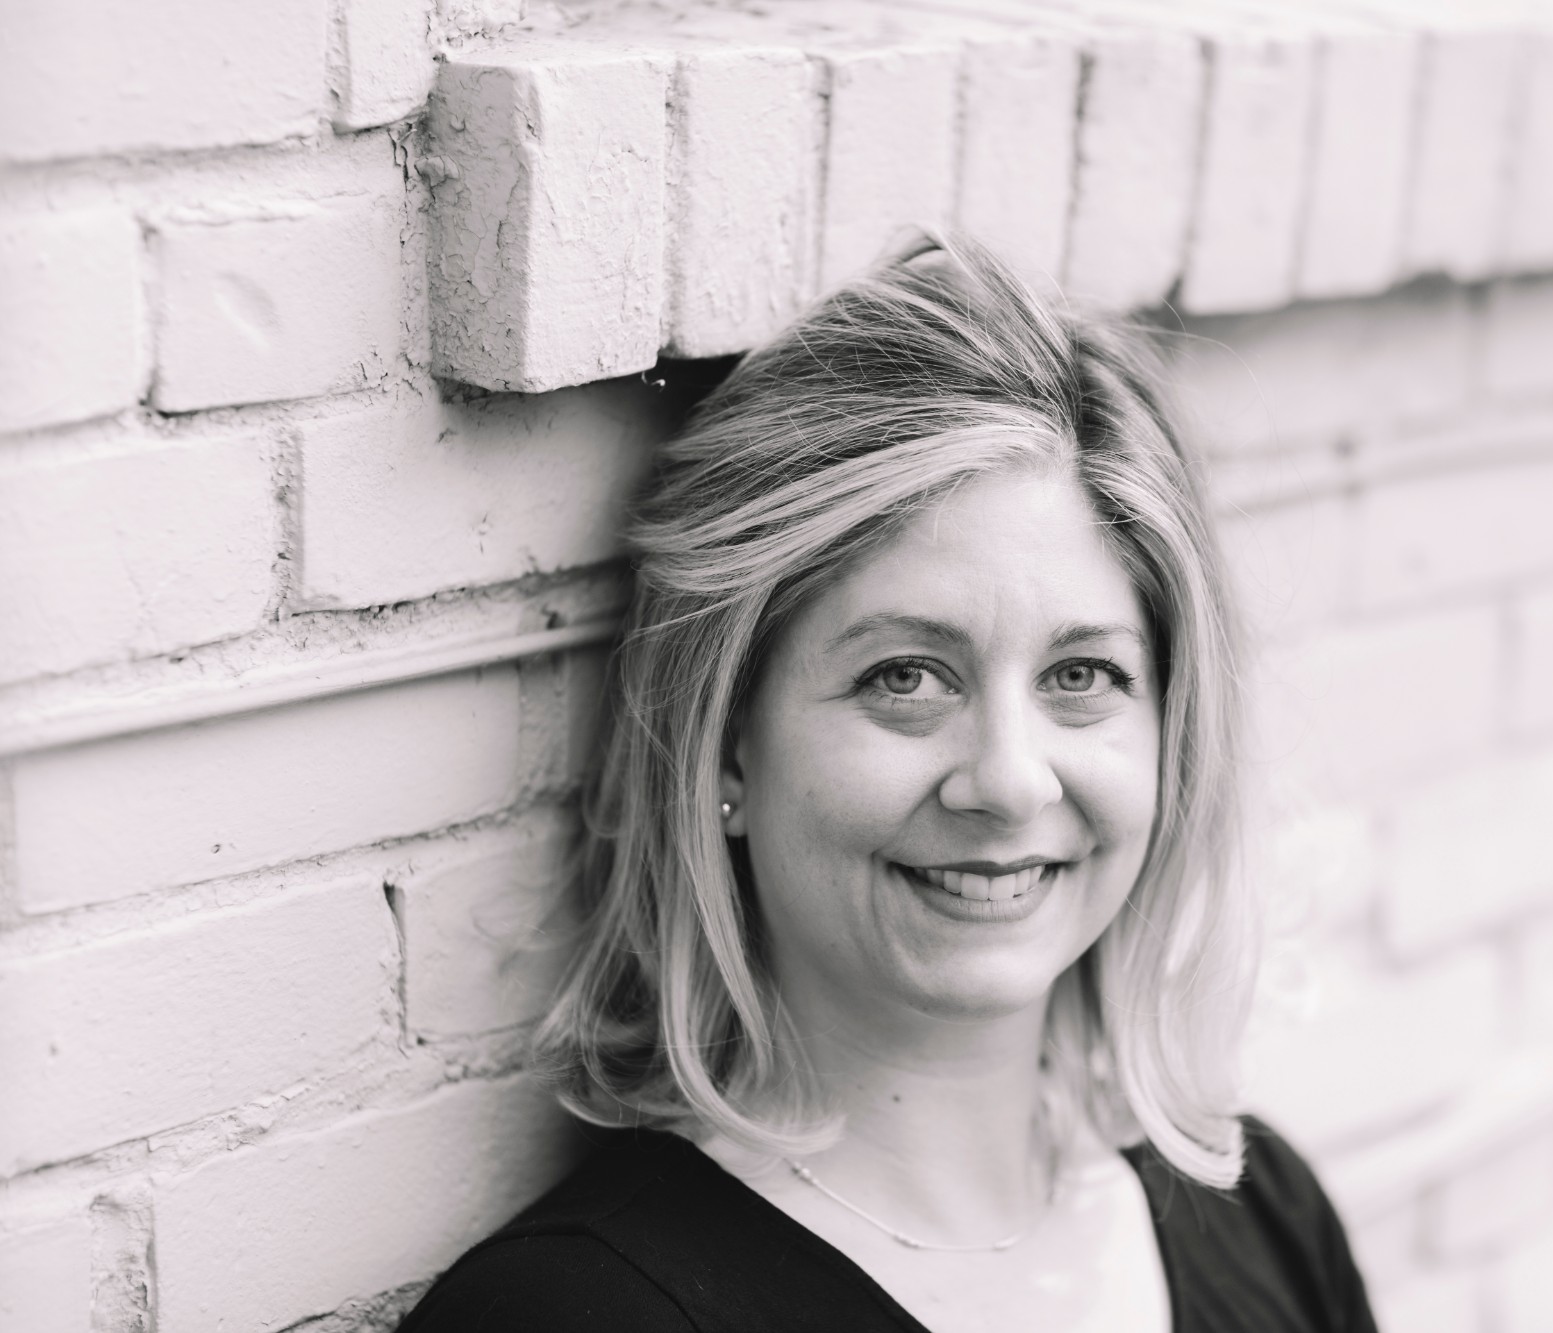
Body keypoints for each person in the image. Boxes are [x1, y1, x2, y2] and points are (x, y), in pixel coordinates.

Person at [398, 235, 1376, 1333]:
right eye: (903, 677)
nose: (1007, 781)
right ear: (724, 749)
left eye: (1080, 675)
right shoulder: (576, 1319)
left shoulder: (1262, 1219)